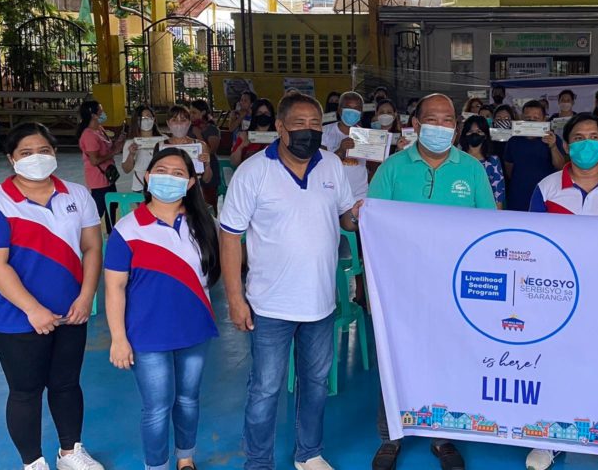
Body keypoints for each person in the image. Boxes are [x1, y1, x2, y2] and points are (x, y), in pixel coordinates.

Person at [219, 93, 362, 470]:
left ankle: (308, 453)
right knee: (265, 389)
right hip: (269, 305)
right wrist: (235, 298)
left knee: (315, 385)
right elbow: (230, 236)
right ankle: (259, 461)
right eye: (299, 124)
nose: (308, 131)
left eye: (315, 124)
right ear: (280, 128)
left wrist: (367, 213)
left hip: (319, 302)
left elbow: (346, 219)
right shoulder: (253, 172)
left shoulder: (332, 165)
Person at [368, 93, 496, 470]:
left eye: (448, 120)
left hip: (454, 287)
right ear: (416, 125)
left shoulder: (472, 170)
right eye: (433, 120)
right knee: (394, 358)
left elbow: (488, 226)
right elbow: (374, 225)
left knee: (449, 358)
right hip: (400, 285)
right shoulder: (392, 168)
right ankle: (390, 435)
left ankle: (443, 437)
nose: (441, 127)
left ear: (456, 128)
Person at [0, 123, 106, 470]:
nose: (37, 158)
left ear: (55, 154)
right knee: (26, 391)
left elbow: (92, 248)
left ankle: (70, 452)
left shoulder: (77, 195)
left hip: (70, 313)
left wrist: (86, 296)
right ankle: (33, 462)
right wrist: (33, 310)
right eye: (26, 153)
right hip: (17, 320)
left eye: (44, 150)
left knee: (66, 384)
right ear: (11, 159)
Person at [525, 112, 598, 470]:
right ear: (566, 144)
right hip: (555, 295)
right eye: (578, 137)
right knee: (552, 364)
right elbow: (532, 244)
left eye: (593, 136)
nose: (586, 143)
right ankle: (548, 437)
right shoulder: (547, 188)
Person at [104, 148, 221, 470]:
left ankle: (186, 459)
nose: (168, 178)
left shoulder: (204, 224)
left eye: (178, 173)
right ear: (147, 176)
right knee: (156, 407)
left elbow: (213, 272)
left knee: (187, 399)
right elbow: (114, 287)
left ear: (191, 182)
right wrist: (118, 338)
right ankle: (156, 466)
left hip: (194, 328)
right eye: (161, 170)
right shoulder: (127, 229)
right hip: (147, 335)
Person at [503, 100, 565, 211]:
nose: (531, 121)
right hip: (518, 197)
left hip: (546, 195)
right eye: (528, 118)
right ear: (522, 119)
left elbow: (561, 167)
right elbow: (509, 168)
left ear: (544, 120)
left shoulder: (553, 139)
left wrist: (553, 147)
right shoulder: (513, 141)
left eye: (536, 118)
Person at [77, 99, 125, 231]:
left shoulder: (99, 129)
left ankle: (111, 231)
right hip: (98, 178)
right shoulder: (89, 135)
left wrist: (118, 143)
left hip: (108, 176)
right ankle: (89, 233)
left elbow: (108, 148)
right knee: (99, 209)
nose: (104, 113)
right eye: (101, 111)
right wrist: (114, 152)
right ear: (93, 115)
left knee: (112, 204)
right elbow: (95, 160)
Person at [320, 91, 369, 202]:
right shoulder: (325, 131)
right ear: (339, 110)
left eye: (357, 108)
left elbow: (373, 166)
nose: (352, 111)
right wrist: (341, 151)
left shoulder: (367, 136)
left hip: (359, 195)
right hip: (332, 193)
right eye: (348, 107)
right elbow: (321, 164)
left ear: (361, 113)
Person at [162, 105, 214, 194]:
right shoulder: (161, 146)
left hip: (194, 193)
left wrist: (207, 164)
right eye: (174, 120)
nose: (179, 124)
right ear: (168, 123)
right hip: (168, 193)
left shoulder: (200, 145)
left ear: (189, 123)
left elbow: (207, 179)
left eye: (183, 120)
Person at [460, 115, 505, 209]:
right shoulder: (457, 158)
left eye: (479, 131)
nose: (474, 134)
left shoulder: (493, 161)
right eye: (470, 131)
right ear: (465, 134)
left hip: (485, 210)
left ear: (485, 136)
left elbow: (498, 193)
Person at [121, 105, 163, 192]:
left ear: (154, 119)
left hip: (162, 185)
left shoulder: (164, 139)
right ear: (136, 121)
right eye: (142, 118)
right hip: (140, 187)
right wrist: (131, 154)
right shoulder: (131, 143)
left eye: (149, 116)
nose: (146, 119)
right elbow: (126, 169)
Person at [188, 100, 221, 209]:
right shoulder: (189, 128)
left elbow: (211, 150)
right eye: (190, 112)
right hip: (193, 166)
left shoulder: (212, 129)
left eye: (194, 112)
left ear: (202, 113)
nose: (191, 115)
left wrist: (198, 135)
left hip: (209, 165)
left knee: (209, 199)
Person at [231, 99, 276, 168]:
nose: (263, 116)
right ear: (254, 115)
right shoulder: (245, 135)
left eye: (266, 113)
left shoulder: (279, 137)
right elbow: (234, 163)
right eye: (259, 113)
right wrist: (241, 147)